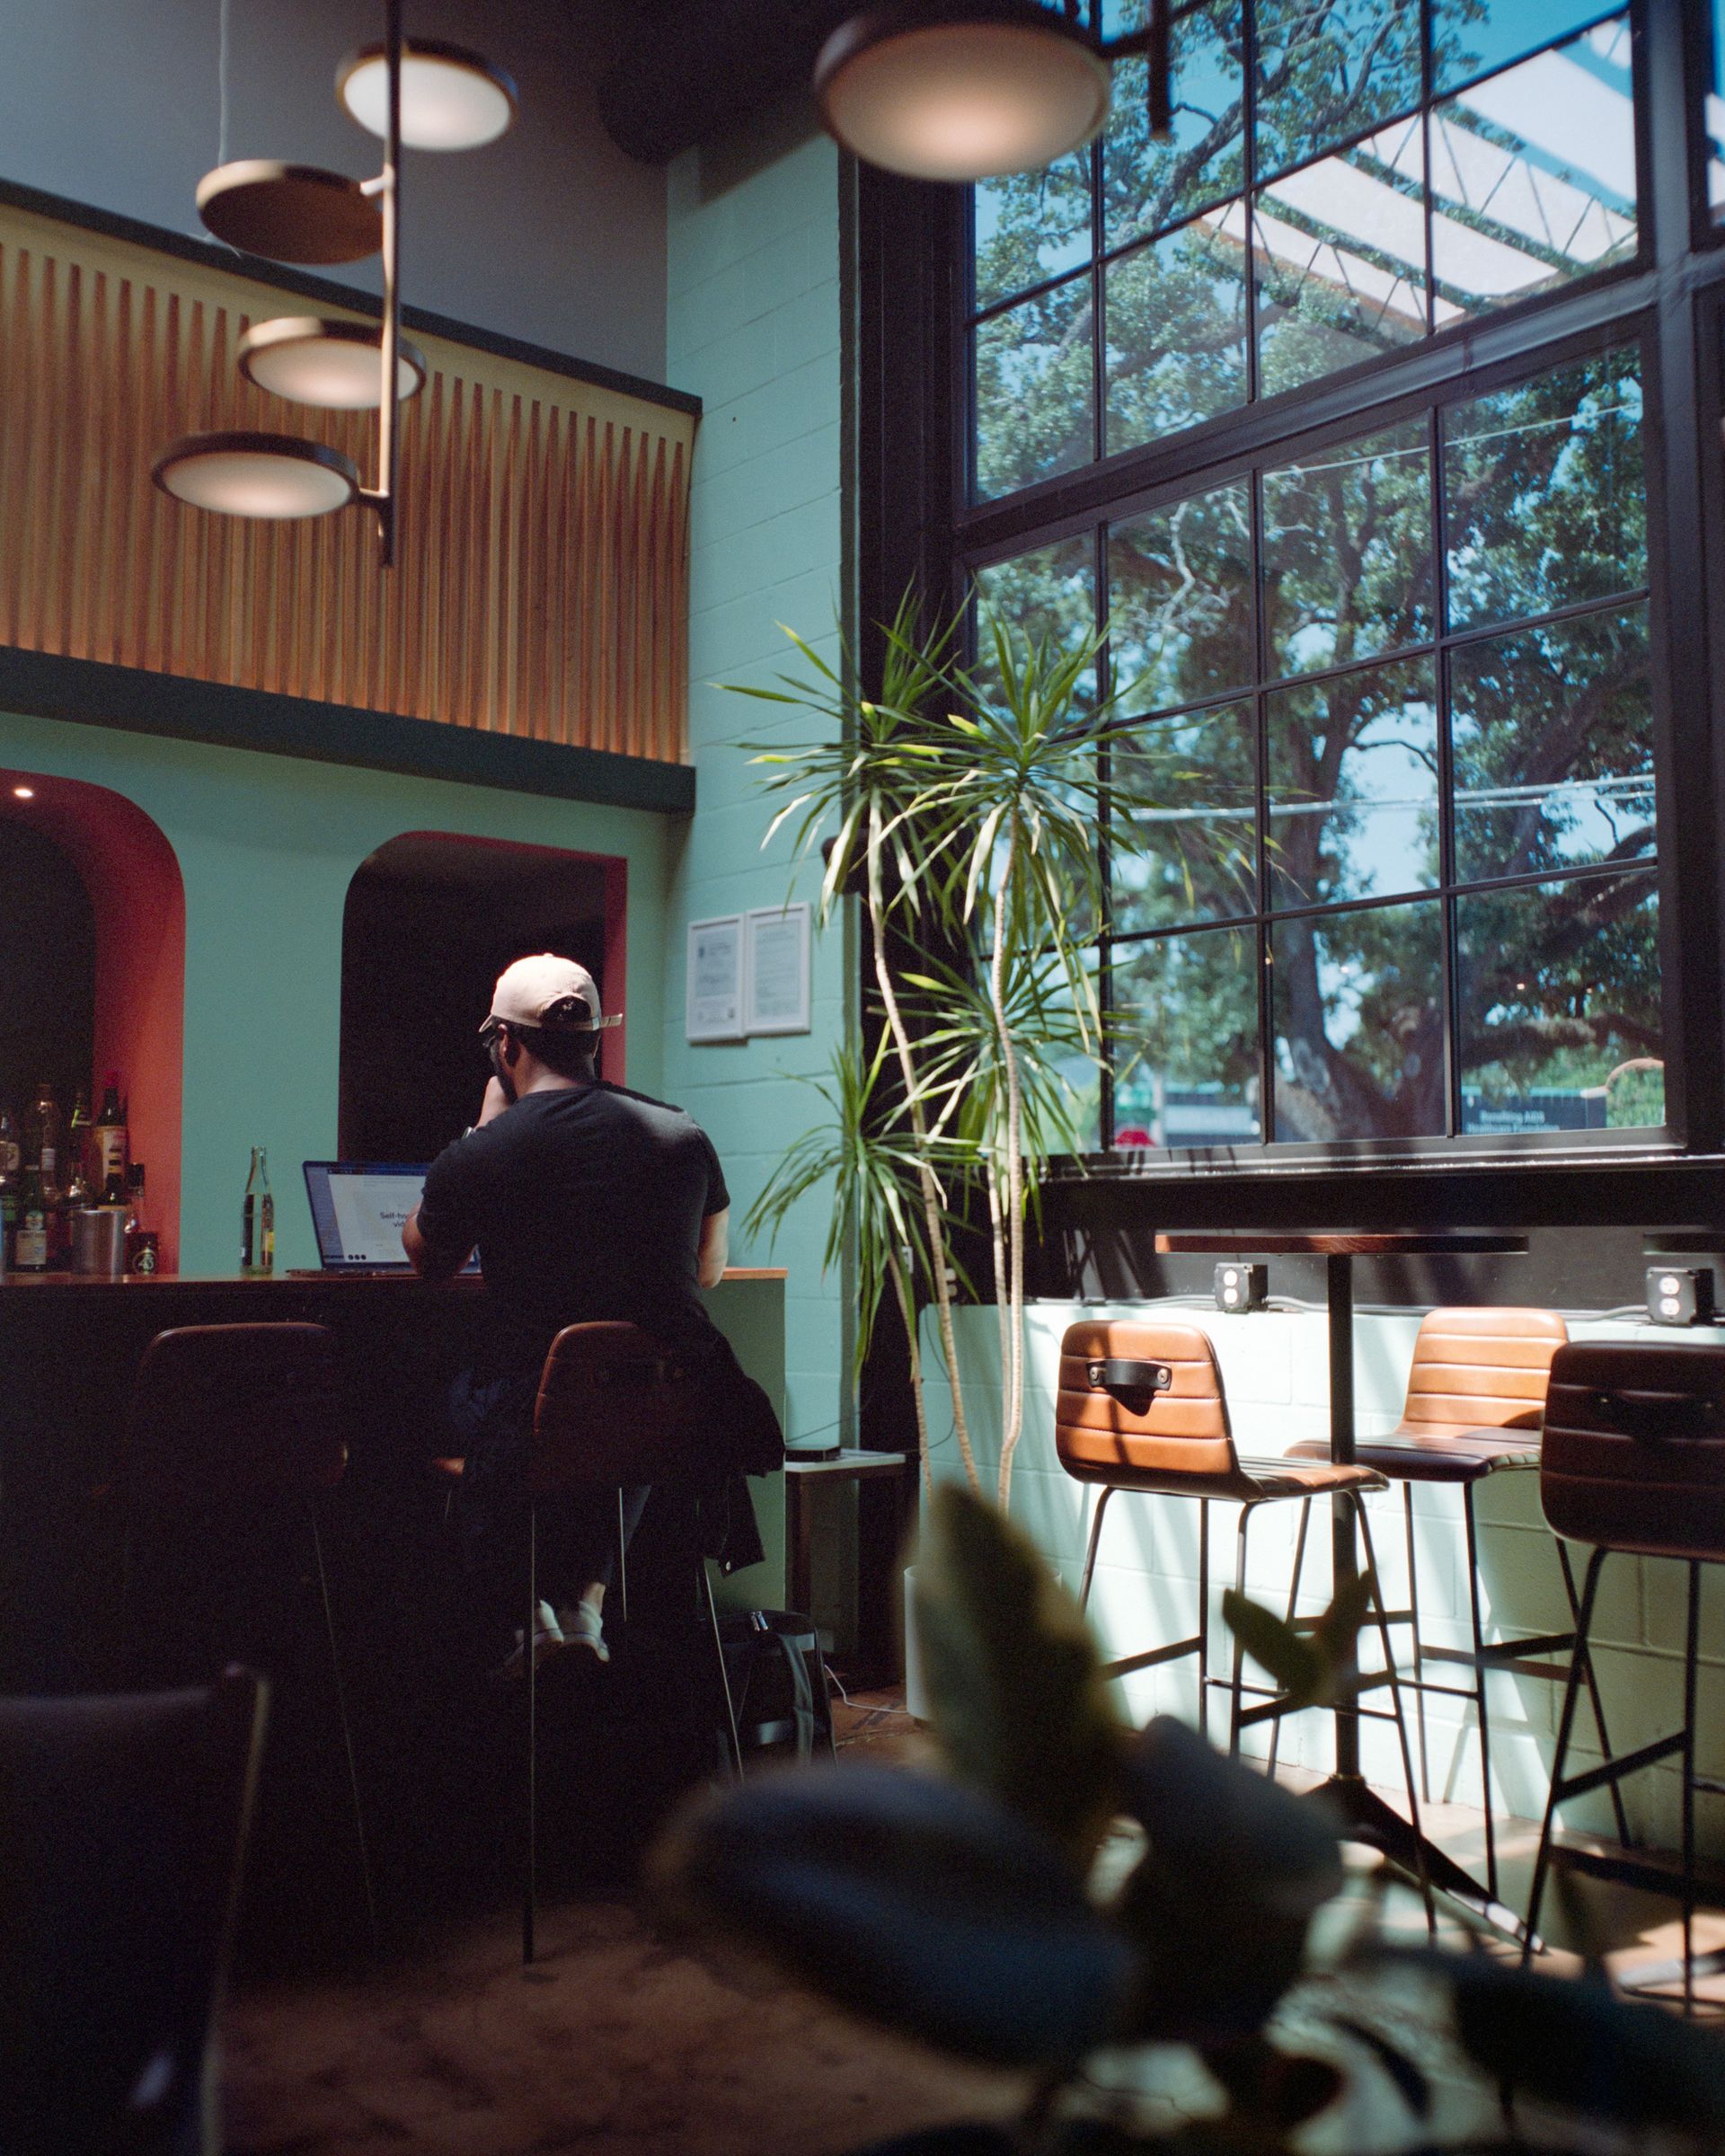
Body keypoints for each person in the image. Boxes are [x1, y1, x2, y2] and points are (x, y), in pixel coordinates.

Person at [403, 952, 772, 1676]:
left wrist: (479, 1137)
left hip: (533, 1420)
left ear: (505, 1045)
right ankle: (585, 1603)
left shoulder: (485, 1154)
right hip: (668, 1415)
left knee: (460, 1400)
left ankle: (522, 1613)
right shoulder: (680, 1134)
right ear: (594, 1041)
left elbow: (427, 1258)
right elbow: (708, 1268)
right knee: (620, 1401)